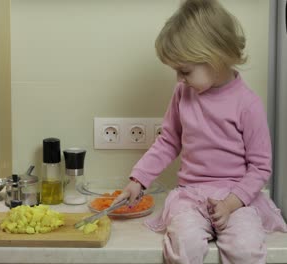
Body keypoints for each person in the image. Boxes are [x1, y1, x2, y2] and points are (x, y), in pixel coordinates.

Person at [114, 0, 287, 263]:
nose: (179, 79)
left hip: (236, 198)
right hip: (190, 194)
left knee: (246, 250)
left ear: (216, 57)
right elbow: (168, 141)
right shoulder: (183, 93)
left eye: (184, 71)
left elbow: (260, 168)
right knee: (185, 245)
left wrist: (230, 204)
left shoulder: (248, 104)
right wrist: (138, 180)